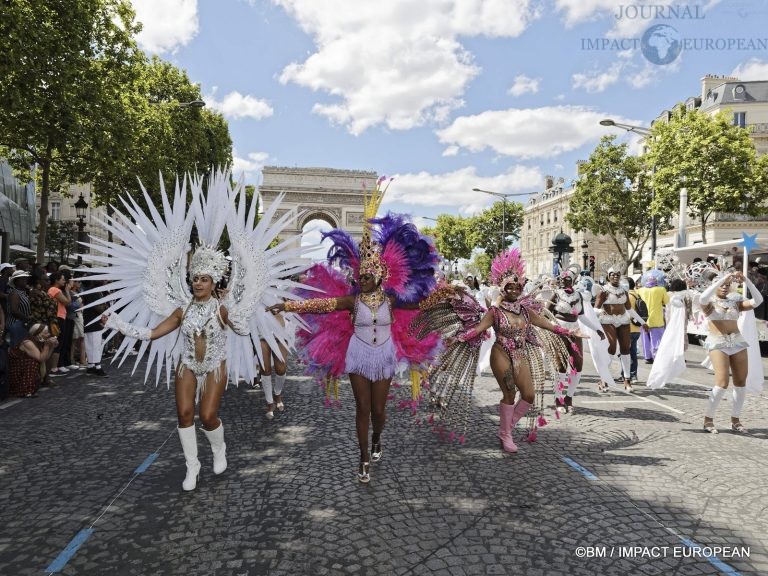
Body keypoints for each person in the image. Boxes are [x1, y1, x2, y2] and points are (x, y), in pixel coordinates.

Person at [272, 188, 438, 484]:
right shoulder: (352, 300)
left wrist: (447, 298)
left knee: (378, 410)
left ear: (379, 277)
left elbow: (421, 304)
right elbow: (321, 305)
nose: (361, 279)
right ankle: (362, 457)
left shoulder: (392, 300)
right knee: (362, 408)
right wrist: (287, 304)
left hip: (384, 354)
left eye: (367, 276)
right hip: (358, 354)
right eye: (359, 276)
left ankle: (377, 439)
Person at [418, 249, 581, 453]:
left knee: (529, 395)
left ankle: (506, 428)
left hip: (520, 356)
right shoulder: (495, 312)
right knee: (510, 392)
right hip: (501, 354)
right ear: (502, 289)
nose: (514, 290)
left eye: (517, 286)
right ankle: (506, 435)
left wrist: (569, 332)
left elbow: (549, 325)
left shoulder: (526, 311)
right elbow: (477, 329)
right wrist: (457, 338)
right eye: (509, 287)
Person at [103, 246, 237, 490]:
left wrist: (233, 304)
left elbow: (243, 328)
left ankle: (219, 449)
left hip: (214, 365)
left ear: (213, 282)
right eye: (195, 279)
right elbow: (152, 334)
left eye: (204, 280)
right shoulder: (182, 310)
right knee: (184, 413)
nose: (198, 284)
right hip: (186, 364)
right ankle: (192, 466)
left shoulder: (222, 309)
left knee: (207, 416)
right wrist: (118, 324)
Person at [699, 271, 762, 434]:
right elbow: (703, 298)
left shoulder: (735, 302)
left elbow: (758, 301)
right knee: (722, 383)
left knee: (741, 383)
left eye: (727, 285)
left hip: (738, 342)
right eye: (722, 285)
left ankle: (735, 420)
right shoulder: (709, 302)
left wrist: (746, 280)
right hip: (718, 342)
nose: (725, 287)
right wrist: (721, 279)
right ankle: (708, 419)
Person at [547, 268, 605, 413]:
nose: (565, 281)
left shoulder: (578, 295)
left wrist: (596, 328)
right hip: (559, 331)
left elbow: (581, 316)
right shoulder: (556, 294)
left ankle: (569, 397)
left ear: (573, 280)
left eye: (568, 279)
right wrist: (553, 327)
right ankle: (558, 399)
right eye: (563, 279)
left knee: (577, 365)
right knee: (561, 366)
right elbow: (546, 313)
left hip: (575, 331)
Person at [594, 266, 648, 392]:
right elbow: (595, 308)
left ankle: (627, 380)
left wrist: (642, 322)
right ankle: (604, 378)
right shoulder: (603, 291)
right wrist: (600, 311)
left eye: (618, 274)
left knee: (626, 349)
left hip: (623, 320)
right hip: (608, 321)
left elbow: (629, 309)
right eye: (612, 274)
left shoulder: (624, 291)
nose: (615, 276)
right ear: (608, 276)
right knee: (612, 348)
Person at [8, 323, 58, 398]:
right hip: (16, 370)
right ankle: (26, 390)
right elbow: (41, 359)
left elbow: (46, 358)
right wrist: (47, 346)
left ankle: (40, 382)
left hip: (23, 369)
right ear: (38, 334)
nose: (48, 334)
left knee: (45, 361)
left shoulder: (39, 341)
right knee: (32, 362)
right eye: (46, 333)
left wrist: (52, 346)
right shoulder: (28, 342)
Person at [258, 309, 289, 419]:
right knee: (265, 369)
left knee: (281, 369)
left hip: (280, 332)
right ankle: (270, 403)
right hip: (261, 333)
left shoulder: (281, 292)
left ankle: (277, 394)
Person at [637, 269, 670, 365]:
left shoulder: (640, 290)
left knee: (645, 340)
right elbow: (667, 302)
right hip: (657, 319)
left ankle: (647, 357)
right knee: (657, 340)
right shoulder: (661, 289)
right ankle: (657, 356)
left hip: (643, 319)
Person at [47, 270, 72, 375]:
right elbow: (67, 302)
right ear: (56, 280)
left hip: (60, 317)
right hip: (57, 318)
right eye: (62, 279)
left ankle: (57, 366)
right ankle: (53, 368)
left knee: (61, 342)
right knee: (58, 342)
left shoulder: (55, 289)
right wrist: (67, 290)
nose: (64, 281)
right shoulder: (55, 289)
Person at [6, 270, 31, 347]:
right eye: (22, 279)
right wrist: (27, 318)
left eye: (25, 278)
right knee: (16, 348)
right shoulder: (15, 293)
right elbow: (14, 311)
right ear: (16, 281)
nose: (25, 280)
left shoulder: (23, 292)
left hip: (22, 324)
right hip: (16, 324)